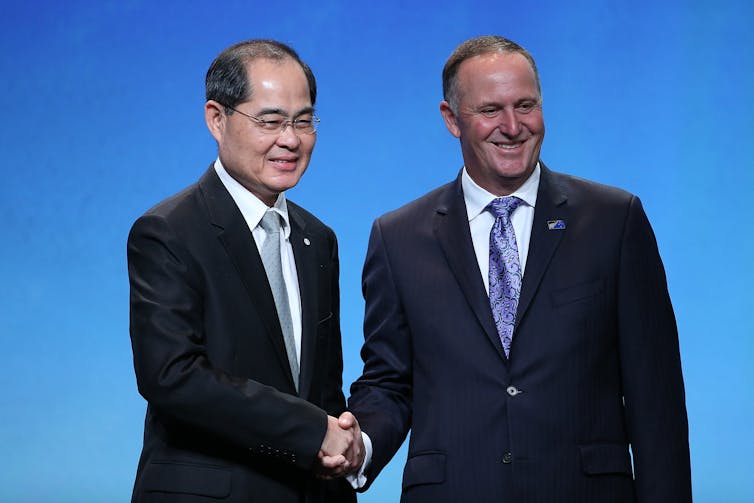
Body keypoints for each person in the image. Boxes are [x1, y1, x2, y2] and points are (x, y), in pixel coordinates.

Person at [347, 35, 691, 502]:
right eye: (490, 110)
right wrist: (360, 444)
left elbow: (657, 399)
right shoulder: (397, 237)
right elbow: (389, 381)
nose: (513, 126)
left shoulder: (615, 219)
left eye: (525, 105)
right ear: (452, 119)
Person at [127, 39, 362, 503]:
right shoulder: (168, 231)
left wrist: (343, 445)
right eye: (270, 121)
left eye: (304, 120)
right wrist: (313, 430)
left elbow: (322, 389)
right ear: (217, 118)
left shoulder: (319, 239)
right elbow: (172, 376)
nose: (290, 139)